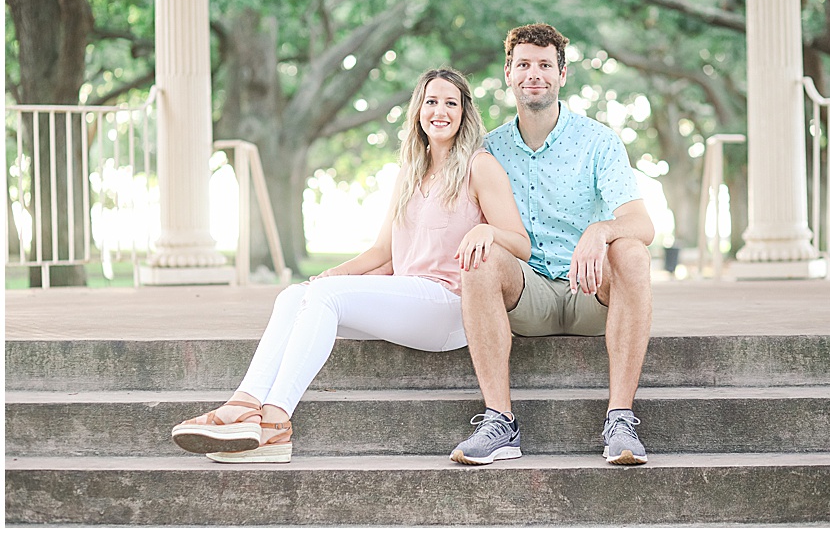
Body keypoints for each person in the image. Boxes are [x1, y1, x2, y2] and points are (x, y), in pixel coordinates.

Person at [171, 68, 530, 463]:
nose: (440, 111)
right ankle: (244, 406)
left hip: (450, 306)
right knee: (296, 296)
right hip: (410, 298)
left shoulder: (479, 167)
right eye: (431, 101)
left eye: (451, 103)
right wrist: (330, 277)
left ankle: (275, 422)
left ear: (465, 113)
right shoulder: (409, 173)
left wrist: (489, 234)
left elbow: (520, 243)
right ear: (417, 111)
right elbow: (381, 252)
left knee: (323, 298)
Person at [449, 23, 655, 466]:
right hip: (526, 294)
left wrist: (599, 231)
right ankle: (500, 423)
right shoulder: (487, 150)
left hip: (590, 292)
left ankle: (620, 419)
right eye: (523, 64)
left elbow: (642, 223)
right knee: (479, 259)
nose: (533, 74)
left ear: (563, 74)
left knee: (632, 251)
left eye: (545, 65)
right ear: (508, 73)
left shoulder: (599, 141)